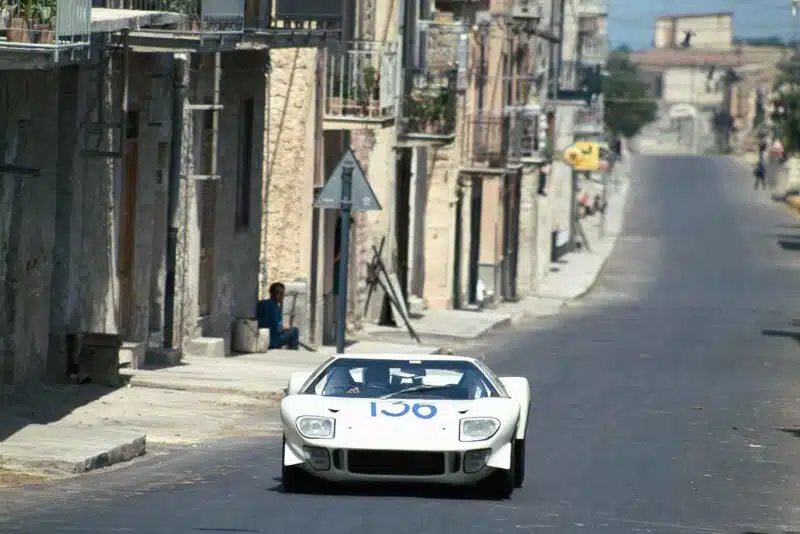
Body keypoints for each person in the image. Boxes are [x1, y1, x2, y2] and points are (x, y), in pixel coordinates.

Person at [262, 282, 300, 350]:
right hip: (273, 341)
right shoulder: (276, 308)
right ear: (276, 294)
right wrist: (286, 327)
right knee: (295, 330)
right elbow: (279, 328)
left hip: (263, 339)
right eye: (282, 294)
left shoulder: (261, 303)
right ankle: (293, 352)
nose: (283, 296)